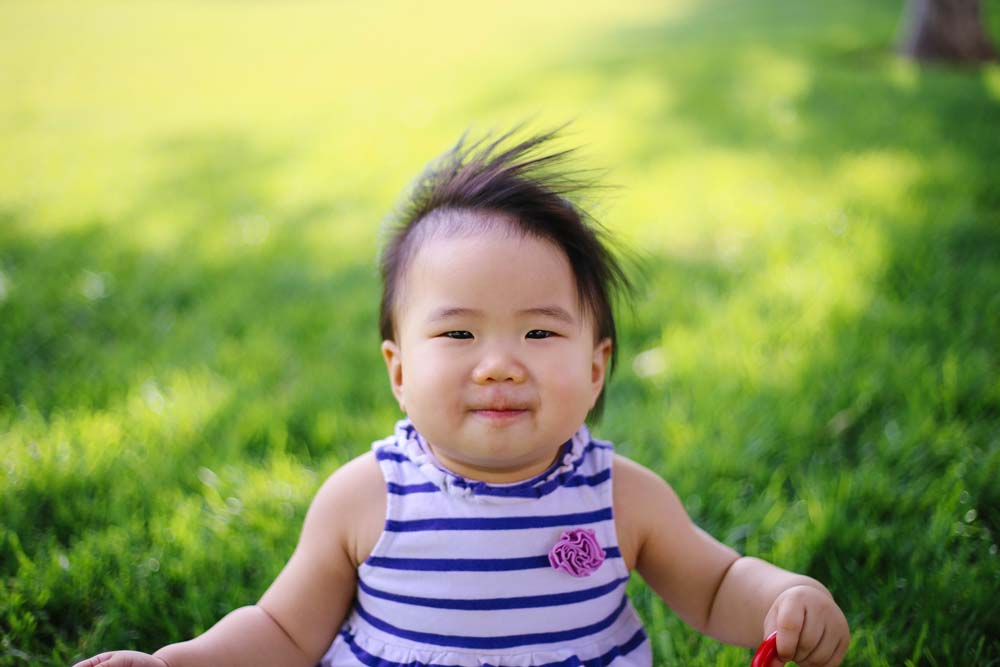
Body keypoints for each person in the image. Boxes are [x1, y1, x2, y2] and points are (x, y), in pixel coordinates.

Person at [73, 125, 850, 667]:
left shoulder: (620, 498)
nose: (500, 365)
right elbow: (280, 629)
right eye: (458, 335)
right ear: (398, 368)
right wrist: (179, 661)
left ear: (597, 366)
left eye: (541, 334)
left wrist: (783, 594)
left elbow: (714, 585)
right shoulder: (365, 497)